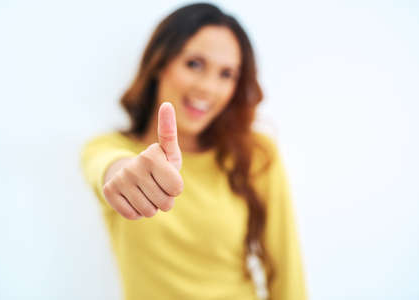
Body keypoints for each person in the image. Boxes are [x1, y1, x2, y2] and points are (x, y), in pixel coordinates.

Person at [80, 3, 307, 300]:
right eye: (195, 64)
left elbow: (286, 271)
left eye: (226, 74)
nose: (208, 88)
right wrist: (125, 172)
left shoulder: (257, 153)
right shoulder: (108, 148)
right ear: (160, 63)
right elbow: (106, 169)